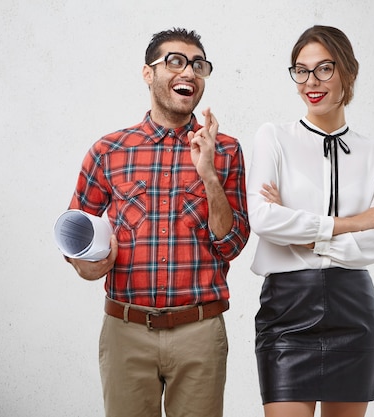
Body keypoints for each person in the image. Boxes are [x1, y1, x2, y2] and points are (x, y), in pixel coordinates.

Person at [63, 28, 250, 417]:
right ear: (148, 74)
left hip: (199, 332)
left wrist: (208, 174)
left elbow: (231, 244)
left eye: (198, 65)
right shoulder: (108, 150)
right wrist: (85, 266)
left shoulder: (225, 150)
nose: (189, 73)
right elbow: (75, 237)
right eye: (176, 62)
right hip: (125, 332)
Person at [247, 25, 374, 417]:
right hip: (287, 309)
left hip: (353, 308)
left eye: (324, 69)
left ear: (348, 71)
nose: (310, 82)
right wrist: (353, 222)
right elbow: (263, 219)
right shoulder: (273, 138)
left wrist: (299, 233)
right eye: (301, 70)